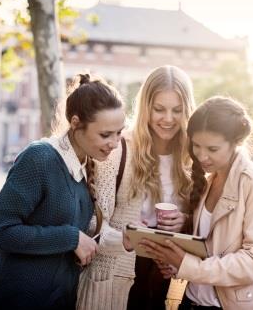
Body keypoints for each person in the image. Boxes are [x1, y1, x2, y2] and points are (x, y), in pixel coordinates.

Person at [0, 74, 125, 310]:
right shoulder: (39, 158)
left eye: (119, 132)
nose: (115, 142)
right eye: (105, 134)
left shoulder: (87, 163)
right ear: (76, 123)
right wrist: (71, 238)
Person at [139, 96, 253, 310]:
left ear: (236, 143)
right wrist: (177, 258)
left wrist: (188, 265)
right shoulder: (210, 178)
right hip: (192, 302)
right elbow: (212, 244)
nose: (202, 156)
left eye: (212, 149)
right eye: (196, 146)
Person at [77, 65, 195, 310]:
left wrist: (184, 221)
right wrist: (125, 238)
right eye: (159, 109)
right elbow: (92, 223)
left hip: (168, 277)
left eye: (177, 110)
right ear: (145, 108)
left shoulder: (194, 157)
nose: (168, 118)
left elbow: (204, 227)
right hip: (119, 275)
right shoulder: (119, 150)